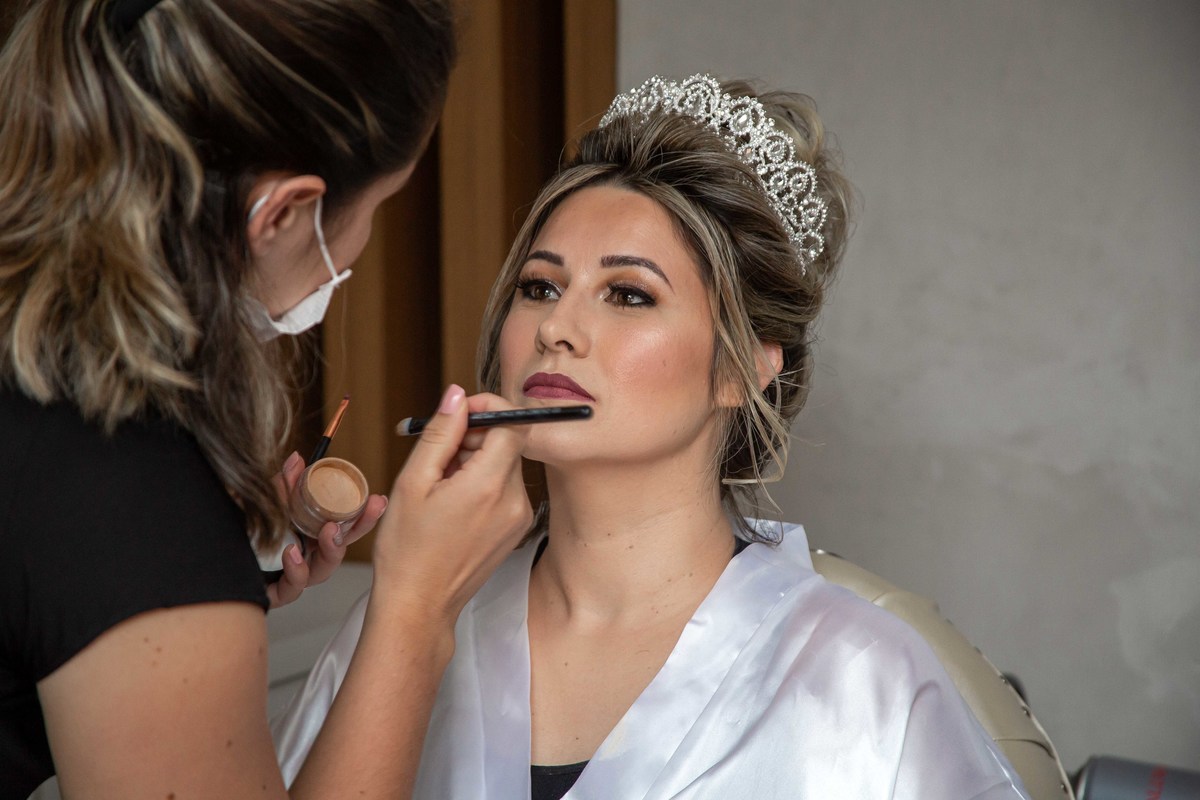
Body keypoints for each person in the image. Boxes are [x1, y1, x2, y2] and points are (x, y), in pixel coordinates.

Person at [271, 74, 1032, 798]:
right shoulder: (409, 614)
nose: (558, 330)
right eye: (540, 287)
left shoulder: (865, 681)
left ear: (740, 369)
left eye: (629, 294)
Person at [0, 1, 534, 798]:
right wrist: (417, 608)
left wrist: (193, 588)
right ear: (282, 212)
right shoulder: (129, 490)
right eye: (379, 207)